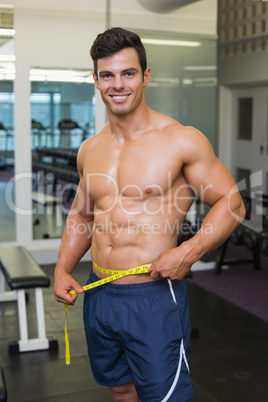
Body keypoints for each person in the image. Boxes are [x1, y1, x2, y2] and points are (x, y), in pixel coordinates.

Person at [54, 27, 245, 402]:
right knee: (121, 389)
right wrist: (62, 268)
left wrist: (188, 252)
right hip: (99, 291)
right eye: (107, 75)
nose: (117, 84)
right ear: (95, 80)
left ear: (145, 75)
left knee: (164, 397)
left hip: (153, 295)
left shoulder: (180, 139)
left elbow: (232, 202)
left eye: (128, 73)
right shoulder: (90, 149)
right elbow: (82, 215)